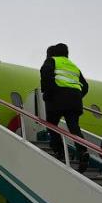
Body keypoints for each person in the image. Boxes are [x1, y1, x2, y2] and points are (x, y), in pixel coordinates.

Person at [40, 43, 90, 172]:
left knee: (51, 125)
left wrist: (48, 93)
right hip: (74, 101)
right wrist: (78, 95)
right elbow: (85, 86)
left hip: (57, 99)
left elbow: (45, 74)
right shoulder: (73, 66)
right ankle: (82, 151)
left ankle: (59, 151)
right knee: (74, 127)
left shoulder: (52, 60)